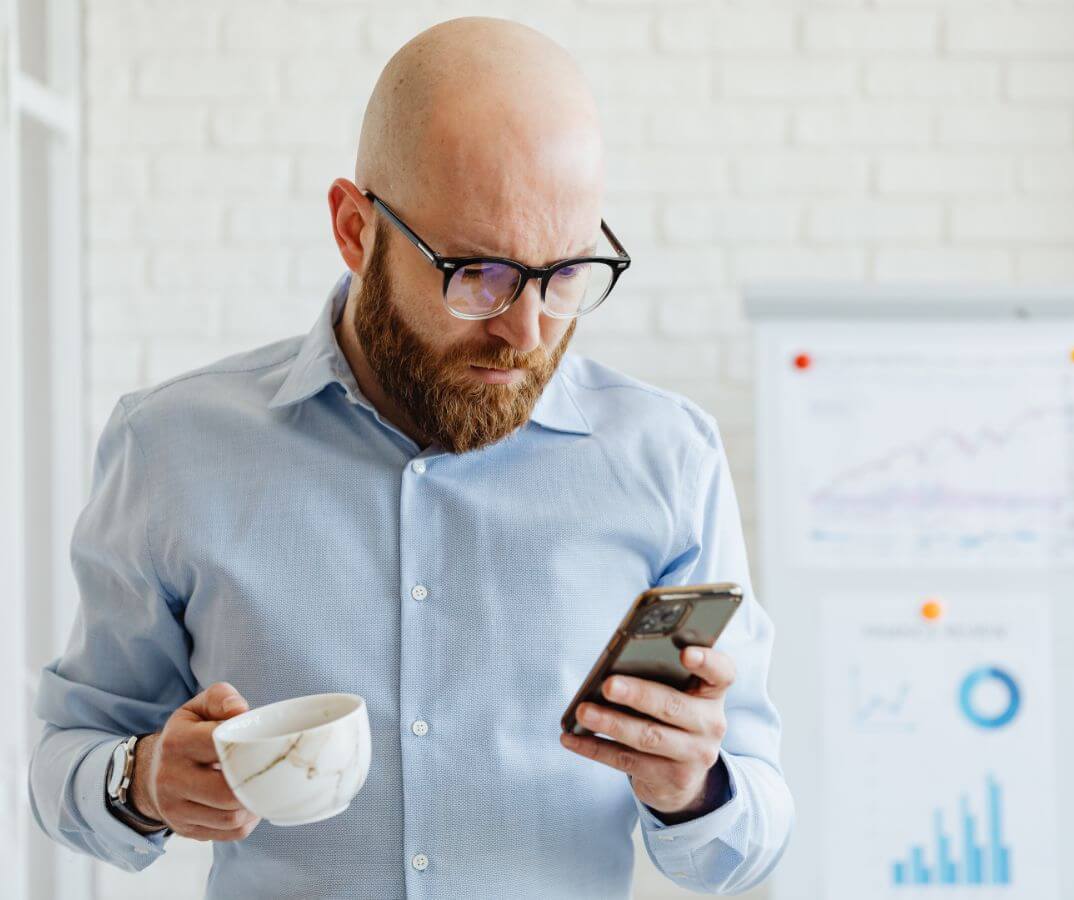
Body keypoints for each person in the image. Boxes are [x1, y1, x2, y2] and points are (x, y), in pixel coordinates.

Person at [28, 16, 793, 898]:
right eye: (479, 274)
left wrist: (694, 788)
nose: (529, 330)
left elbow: (754, 839)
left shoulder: (669, 462)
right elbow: (63, 762)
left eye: (567, 273)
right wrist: (146, 778)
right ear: (355, 230)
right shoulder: (171, 449)